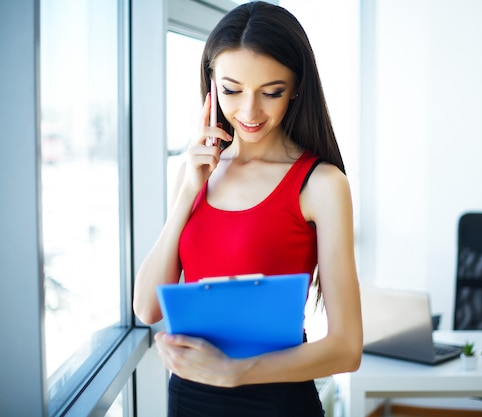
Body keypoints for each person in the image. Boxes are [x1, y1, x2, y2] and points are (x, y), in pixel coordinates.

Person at [132, 2, 363, 416]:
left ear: (296, 87)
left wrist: (234, 371)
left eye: (271, 92)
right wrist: (188, 190)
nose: (249, 112)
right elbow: (147, 308)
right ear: (211, 85)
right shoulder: (194, 177)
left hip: (275, 400)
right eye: (232, 90)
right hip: (188, 398)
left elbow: (346, 349)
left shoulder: (322, 184)